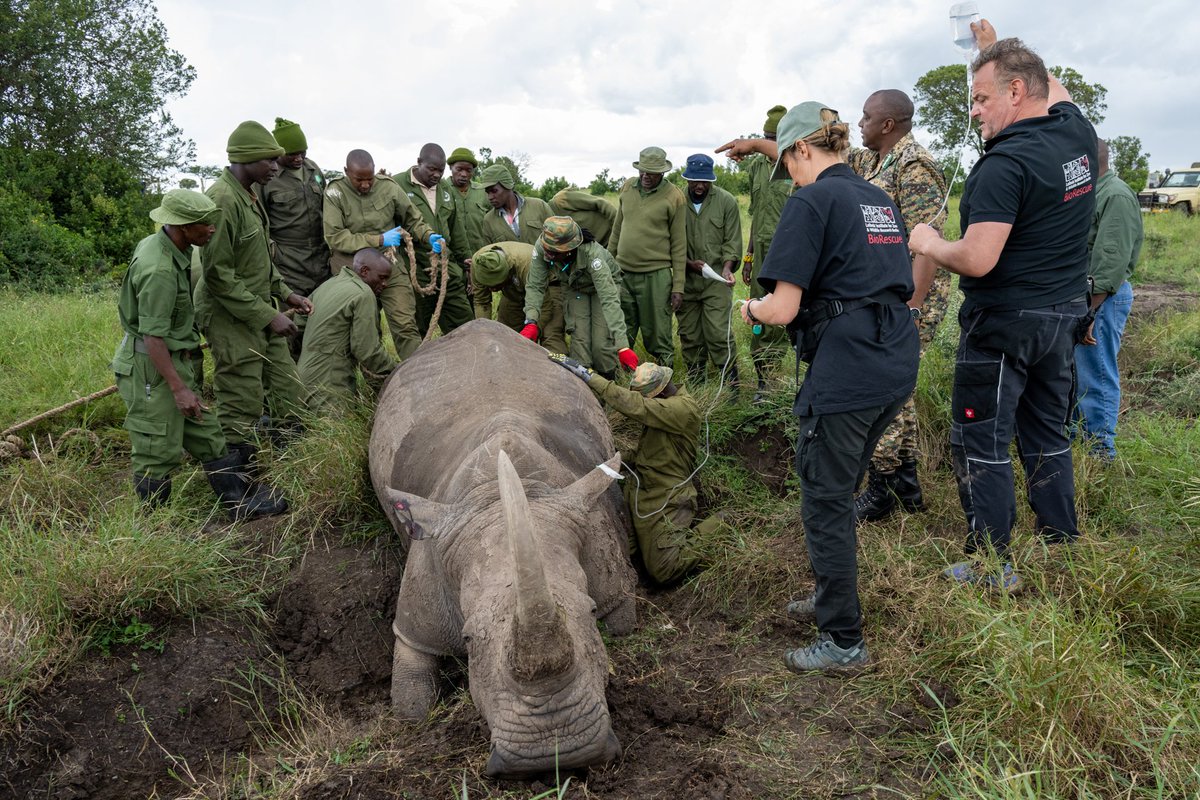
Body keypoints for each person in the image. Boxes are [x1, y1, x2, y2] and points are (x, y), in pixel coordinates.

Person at [908, 20, 1096, 590]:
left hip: (1006, 324)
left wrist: (929, 242)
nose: (974, 112)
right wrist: (992, 49)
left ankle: (992, 562)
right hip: (1063, 315)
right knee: (1046, 427)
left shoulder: (1003, 165)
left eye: (982, 98)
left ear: (1016, 93)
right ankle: (1058, 535)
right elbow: (1050, 83)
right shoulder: (1076, 134)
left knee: (980, 436)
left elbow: (979, 257)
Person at [739, 102, 919, 672]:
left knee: (823, 497)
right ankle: (829, 593)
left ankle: (843, 640)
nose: (787, 175)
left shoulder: (811, 200)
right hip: (894, 357)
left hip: (848, 369)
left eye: (787, 163)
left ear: (801, 150)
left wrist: (750, 307)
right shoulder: (877, 199)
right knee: (839, 488)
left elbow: (783, 308)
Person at [114, 190, 287, 517]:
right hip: (153, 369)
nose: (211, 229)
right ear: (181, 228)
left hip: (173, 362)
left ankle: (238, 502)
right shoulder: (160, 271)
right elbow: (153, 338)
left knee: (208, 434)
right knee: (156, 449)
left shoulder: (166, 246)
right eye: (204, 225)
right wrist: (179, 389)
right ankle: (156, 530)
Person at [846, 90, 950, 522]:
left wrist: (911, 309)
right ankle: (905, 483)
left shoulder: (914, 166)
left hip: (909, 300)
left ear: (888, 124)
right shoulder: (873, 161)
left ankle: (882, 486)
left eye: (866, 117)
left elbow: (927, 245)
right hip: (887, 296)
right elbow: (824, 153)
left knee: (884, 387)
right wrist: (757, 144)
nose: (859, 123)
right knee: (899, 392)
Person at [195, 120, 312, 469]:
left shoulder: (249, 195)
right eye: (269, 161)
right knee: (241, 398)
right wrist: (268, 315)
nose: (276, 167)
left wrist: (287, 296)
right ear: (245, 160)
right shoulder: (222, 200)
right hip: (231, 317)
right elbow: (218, 276)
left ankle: (287, 460)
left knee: (288, 387)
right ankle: (236, 488)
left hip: (261, 308)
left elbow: (261, 259)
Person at [552, 359, 723, 585]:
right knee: (630, 554)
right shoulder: (667, 408)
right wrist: (610, 462)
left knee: (664, 568)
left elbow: (635, 406)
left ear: (658, 394)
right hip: (643, 491)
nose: (642, 401)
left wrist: (589, 376)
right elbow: (649, 453)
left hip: (667, 497)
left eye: (645, 396)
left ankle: (722, 523)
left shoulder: (683, 410)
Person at [322, 148, 445, 360]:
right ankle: (374, 383)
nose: (365, 185)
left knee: (405, 323)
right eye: (359, 180)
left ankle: (421, 378)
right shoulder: (335, 192)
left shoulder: (388, 188)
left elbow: (412, 219)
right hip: (352, 271)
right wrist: (378, 239)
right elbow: (335, 236)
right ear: (346, 172)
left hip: (389, 264)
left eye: (369, 179)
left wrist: (428, 236)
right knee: (364, 330)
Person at [1073, 136, 1142, 462]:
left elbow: (1110, 261)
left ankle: (1101, 453)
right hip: (1085, 300)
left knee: (1096, 374)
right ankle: (1078, 443)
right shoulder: (1089, 193)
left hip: (1102, 299)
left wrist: (1090, 312)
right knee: (1077, 373)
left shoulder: (1114, 195)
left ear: (1087, 160)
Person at [717, 106, 793, 403]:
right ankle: (764, 382)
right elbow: (757, 214)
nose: (770, 144)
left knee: (783, 314)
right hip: (761, 251)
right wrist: (748, 258)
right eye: (766, 137)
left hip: (788, 250)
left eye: (775, 138)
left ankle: (776, 380)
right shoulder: (759, 167)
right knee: (757, 311)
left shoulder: (796, 166)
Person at [523, 216, 637, 378]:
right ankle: (585, 385)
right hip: (574, 287)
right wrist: (531, 321)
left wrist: (622, 346)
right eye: (546, 248)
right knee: (580, 341)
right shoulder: (544, 247)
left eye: (553, 252)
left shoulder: (592, 255)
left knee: (601, 344)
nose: (548, 254)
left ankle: (609, 383)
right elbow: (535, 285)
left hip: (601, 289)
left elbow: (608, 298)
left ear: (568, 249)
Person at [257, 117, 331, 362]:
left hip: (320, 259)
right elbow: (260, 222)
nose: (298, 158)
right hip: (288, 261)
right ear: (278, 153)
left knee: (322, 317)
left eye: (302, 152)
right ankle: (292, 377)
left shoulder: (313, 170)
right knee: (291, 323)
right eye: (292, 155)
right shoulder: (268, 179)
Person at [609, 146, 686, 368]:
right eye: (643, 171)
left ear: (662, 173)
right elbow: (617, 230)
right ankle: (621, 374)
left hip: (656, 276)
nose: (645, 176)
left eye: (651, 173)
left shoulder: (674, 196)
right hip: (623, 273)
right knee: (622, 330)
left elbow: (679, 245)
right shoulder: (627, 188)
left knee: (658, 333)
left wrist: (677, 287)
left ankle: (664, 378)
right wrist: (608, 265)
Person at [298, 248, 398, 412]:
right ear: (364, 271)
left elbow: (299, 321)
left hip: (302, 375)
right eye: (382, 278)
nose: (385, 284)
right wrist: (395, 371)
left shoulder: (330, 284)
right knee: (331, 434)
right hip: (329, 383)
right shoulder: (363, 294)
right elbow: (366, 350)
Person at [395, 143, 474, 337]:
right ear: (419, 162)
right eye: (431, 169)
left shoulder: (445, 188)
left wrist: (466, 261)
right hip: (416, 272)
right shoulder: (397, 185)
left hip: (448, 269)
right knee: (417, 329)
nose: (437, 175)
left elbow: (456, 230)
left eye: (440, 170)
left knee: (466, 326)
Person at [678, 153, 742, 387]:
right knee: (690, 335)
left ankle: (731, 385)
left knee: (717, 333)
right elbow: (668, 242)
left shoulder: (726, 202)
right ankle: (697, 385)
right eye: (695, 181)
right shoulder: (675, 202)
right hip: (685, 281)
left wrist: (726, 269)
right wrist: (688, 264)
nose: (700, 186)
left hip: (716, 280)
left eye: (705, 181)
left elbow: (732, 242)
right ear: (686, 179)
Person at [470, 240, 568, 354]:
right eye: (489, 286)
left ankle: (558, 369)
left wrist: (533, 327)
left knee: (550, 333)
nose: (493, 290)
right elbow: (481, 302)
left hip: (548, 286)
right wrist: (484, 331)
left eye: (496, 285)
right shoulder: (479, 265)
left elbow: (545, 306)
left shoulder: (528, 263)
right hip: (512, 289)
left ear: (506, 271)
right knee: (504, 333)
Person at [480, 164, 554, 246]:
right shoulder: (489, 221)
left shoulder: (539, 206)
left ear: (507, 186)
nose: (490, 197)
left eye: (494, 191)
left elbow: (557, 238)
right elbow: (488, 253)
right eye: (487, 192)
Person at [448, 147, 491, 255]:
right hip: (451, 258)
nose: (464, 174)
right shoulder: (441, 190)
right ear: (450, 167)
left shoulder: (483, 191)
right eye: (459, 169)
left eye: (468, 170)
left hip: (481, 255)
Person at [549, 188, 617, 249]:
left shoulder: (560, 200)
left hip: (615, 235)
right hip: (602, 249)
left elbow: (601, 203)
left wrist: (618, 228)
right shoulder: (549, 232)